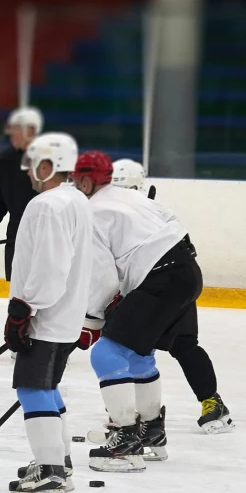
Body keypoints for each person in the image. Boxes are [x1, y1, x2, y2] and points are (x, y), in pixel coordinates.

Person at [71, 150, 203, 471]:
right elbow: (171, 220)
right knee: (137, 354)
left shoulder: (91, 212)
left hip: (159, 279)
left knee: (106, 354)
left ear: (86, 180)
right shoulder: (132, 198)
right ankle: (152, 433)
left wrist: (92, 320)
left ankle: (127, 441)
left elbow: (102, 277)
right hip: (187, 272)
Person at [0, 132, 96, 493]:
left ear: (46, 166)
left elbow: (49, 264)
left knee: (31, 388)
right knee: (48, 386)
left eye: (32, 166)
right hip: (67, 315)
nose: (28, 174)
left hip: (47, 315)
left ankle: (52, 473)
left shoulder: (47, 205)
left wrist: (24, 309)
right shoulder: (77, 201)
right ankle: (61, 462)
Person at [112, 158, 233, 432]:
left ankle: (139, 415)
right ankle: (211, 402)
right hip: (181, 278)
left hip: (157, 285)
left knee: (127, 345)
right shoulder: (154, 208)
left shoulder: (116, 212)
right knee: (183, 345)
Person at [0, 105, 41, 277]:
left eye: (17, 129)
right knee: (17, 292)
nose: (12, 133)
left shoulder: (49, 158)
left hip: (47, 233)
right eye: (12, 129)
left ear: (32, 130)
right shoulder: (7, 159)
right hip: (17, 232)